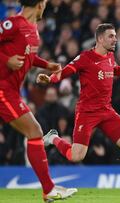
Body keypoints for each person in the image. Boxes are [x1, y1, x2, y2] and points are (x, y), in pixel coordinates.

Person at [36, 23, 120, 198]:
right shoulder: (85, 58)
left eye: (115, 36)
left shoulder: (110, 56)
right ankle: (53, 138)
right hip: (87, 113)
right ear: (100, 39)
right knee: (76, 156)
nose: (115, 39)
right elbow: (65, 72)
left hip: (107, 111)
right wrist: (50, 79)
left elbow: (116, 70)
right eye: (111, 36)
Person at [0, 0, 77, 202]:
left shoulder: (33, 28)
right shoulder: (12, 23)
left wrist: (47, 64)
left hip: (12, 91)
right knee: (35, 132)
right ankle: (48, 189)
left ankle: (48, 189)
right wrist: (5, 60)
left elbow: (28, 57)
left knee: (34, 132)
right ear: (40, 4)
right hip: (2, 90)